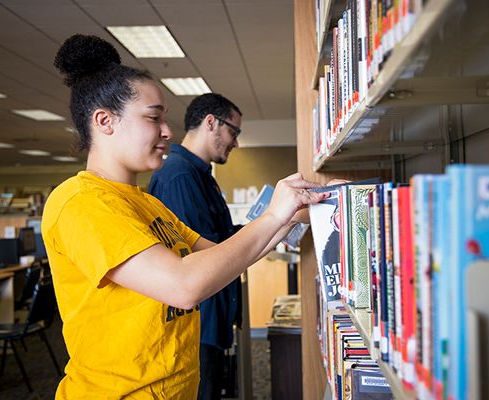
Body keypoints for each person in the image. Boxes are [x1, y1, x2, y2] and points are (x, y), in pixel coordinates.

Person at [42, 34, 326, 399]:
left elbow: (219, 257)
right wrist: (273, 217)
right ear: (104, 121)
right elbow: (184, 286)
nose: (167, 131)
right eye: (153, 117)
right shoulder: (80, 202)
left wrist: (293, 213)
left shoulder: (147, 204)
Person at [148, 93, 244, 400]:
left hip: (210, 320)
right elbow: (199, 257)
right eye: (234, 132)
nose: (235, 143)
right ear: (211, 122)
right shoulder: (179, 176)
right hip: (196, 325)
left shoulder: (200, 175)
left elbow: (214, 238)